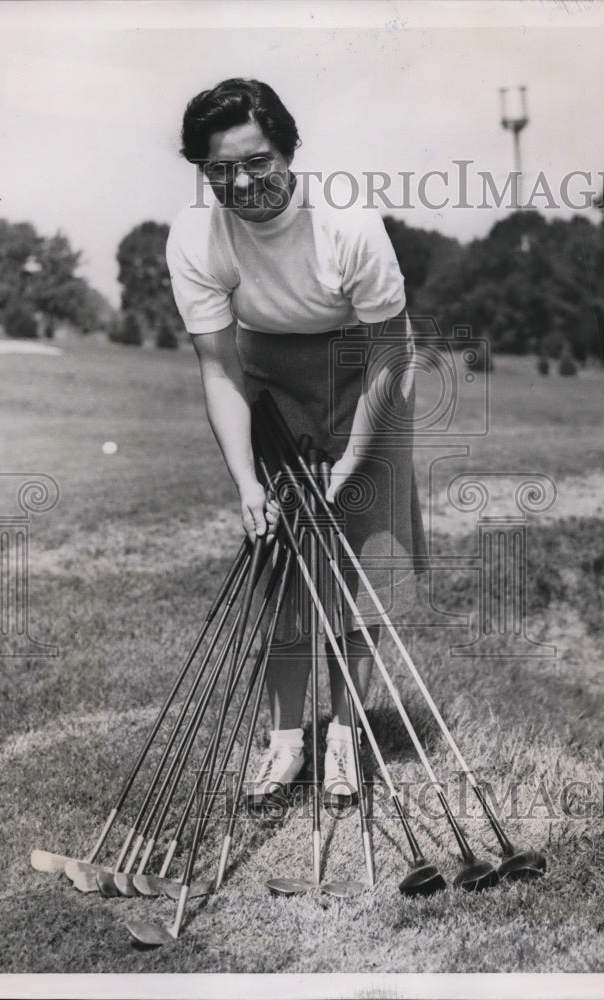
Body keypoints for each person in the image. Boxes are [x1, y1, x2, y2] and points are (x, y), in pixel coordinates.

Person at [166, 78, 426, 811]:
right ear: (203, 170)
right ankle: (285, 742)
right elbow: (218, 364)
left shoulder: (348, 224)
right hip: (267, 375)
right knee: (282, 563)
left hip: (364, 374)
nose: (242, 183)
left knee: (359, 562)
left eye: (258, 161)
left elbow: (389, 353)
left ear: (288, 151)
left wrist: (352, 455)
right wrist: (248, 484)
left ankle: (344, 737)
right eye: (220, 169)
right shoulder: (195, 234)